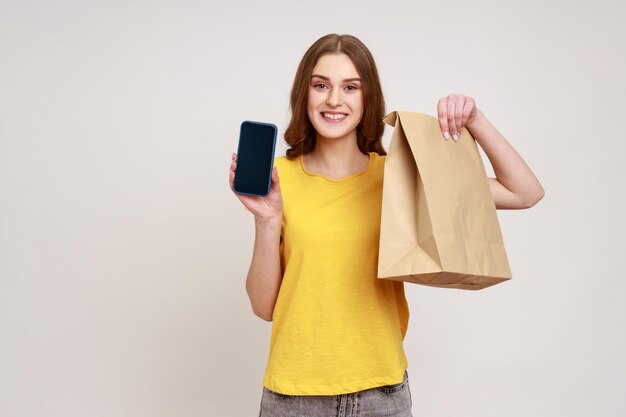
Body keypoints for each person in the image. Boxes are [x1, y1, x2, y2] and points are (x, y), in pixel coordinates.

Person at [228, 33, 544, 417]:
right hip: (293, 397)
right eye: (321, 85)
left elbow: (524, 191)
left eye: (350, 87)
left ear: (367, 97)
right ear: (304, 94)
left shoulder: (398, 175)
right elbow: (264, 307)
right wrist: (268, 220)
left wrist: (476, 120)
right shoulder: (279, 181)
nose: (333, 100)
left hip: (381, 396)